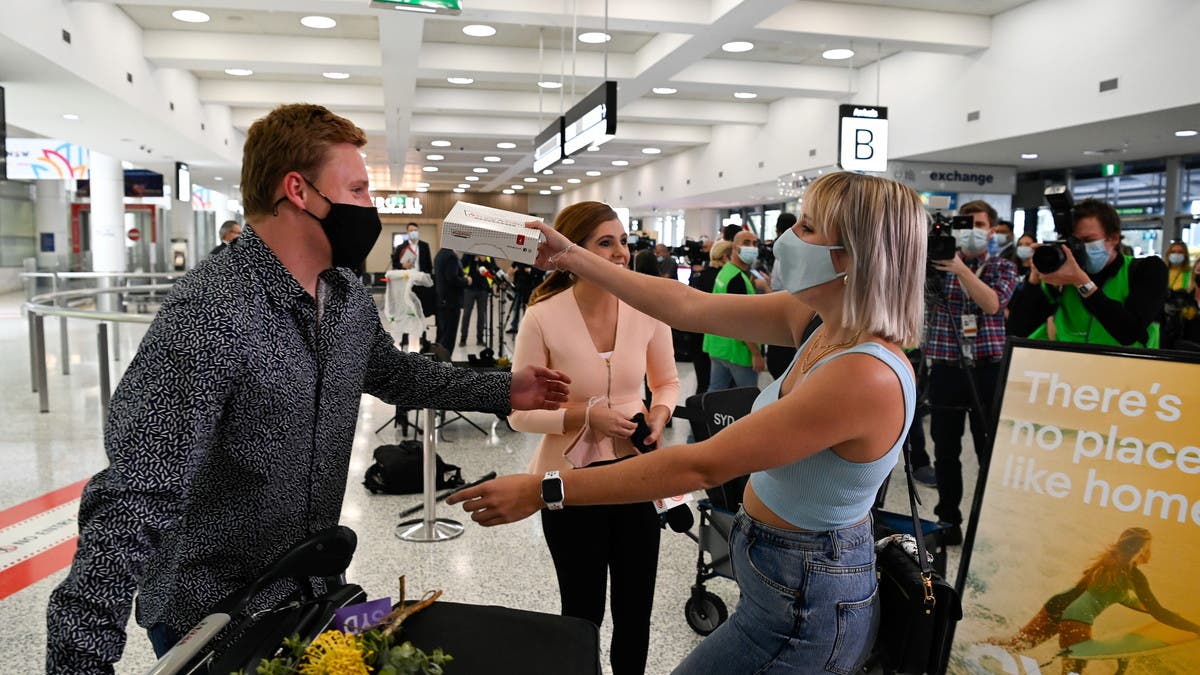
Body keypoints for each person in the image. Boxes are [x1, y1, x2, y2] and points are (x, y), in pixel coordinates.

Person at [44, 103, 571, 674]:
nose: (369, 207)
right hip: (215, 609)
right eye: (358, 190)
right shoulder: (210, 314)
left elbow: (391, 372)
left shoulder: (343, 293)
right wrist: (79, 664)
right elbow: (132, 502)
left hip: (313, 583)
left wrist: (502, 390)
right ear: (298, 191)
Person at [449, 171, 927, 674]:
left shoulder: (863, 374)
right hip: (779, 585)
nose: (786, 236)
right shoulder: (816, 322)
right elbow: (686, 305)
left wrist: (541, 490)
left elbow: (701, 465)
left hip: (806, 604)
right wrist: (569, 255)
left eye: (806, 227)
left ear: (850, 255)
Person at [507, 201, 679, 675]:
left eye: (623, 241)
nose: (622, 252)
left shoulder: (646, 307)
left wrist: (659, 414)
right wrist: (585, 417)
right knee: (582, 613)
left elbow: (666, 381)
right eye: (606, 242)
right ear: (571, 251)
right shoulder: (543, 317)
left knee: (635, 610)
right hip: (567, 483)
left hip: (637, 475)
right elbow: (519, 415)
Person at [926, 200, 1018, 544]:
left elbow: (993, 304)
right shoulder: (935, 264)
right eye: (965, 224)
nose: (972, 231)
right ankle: (948, 520)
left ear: (991, 230)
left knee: (987, 449)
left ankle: (989, 522)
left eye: (979, 224)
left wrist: (961, 269)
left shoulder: (1002, 266)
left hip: (987, 369)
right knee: (945, 451)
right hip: (946, 368)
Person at [991, 528, 1200, 675]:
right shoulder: (1134, 576)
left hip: (1057, 605)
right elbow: (1158, 611)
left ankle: (975, 644)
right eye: (1149, 548)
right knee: (1074, 671)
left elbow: (1135, 603)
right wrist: (1195, 629)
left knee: (1016, 644)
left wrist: (1177, 617)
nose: (1151, 552)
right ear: (1141, 550)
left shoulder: (1107, 563)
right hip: (1076, 618)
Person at [1008, 199, 1168, 347]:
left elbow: (1129, 332)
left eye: (1087, 240)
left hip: (1128, 365)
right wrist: (1034, 280)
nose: (1079, 248)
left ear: (1113, 238)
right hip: (1069, 365)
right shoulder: (1060, 276)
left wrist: (1081, 282)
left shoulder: (1146, 269)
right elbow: (1018, 330)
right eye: (1073, 242)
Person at [702, 229, 766, 390]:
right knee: (747, 396)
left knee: (716, 393)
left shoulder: (726, 272)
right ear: (734, 247)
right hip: (738, 350)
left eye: (755, 243)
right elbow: (742, 320)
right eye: (746, 243)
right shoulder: (737, 279)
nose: (752, 247)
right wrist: (756, 354)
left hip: (719, 346)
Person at [686, 241, 733, 395]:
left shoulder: (699, 276)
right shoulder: (728, 277)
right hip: (720, 339)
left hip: (698, 334)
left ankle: (699, 410)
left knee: (703, 382)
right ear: (726, 256)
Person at [433, 240, 468, 353]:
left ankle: (438, 359)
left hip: (441, 300)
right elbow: (452, 278)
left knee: (442, 334)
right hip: (451, 302)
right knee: (449, 336)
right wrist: (466, 280)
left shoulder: (439, 254)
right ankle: (445, 360)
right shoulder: (451, 256)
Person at [459, 253, 498, 347]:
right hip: (469, 289)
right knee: (466, 314)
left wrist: (484, 261)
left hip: (483, 289)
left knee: (481, 315)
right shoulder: (468, 254)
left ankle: (480, 338)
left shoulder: (487, 255)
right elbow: (460, 267)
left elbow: (493, 270)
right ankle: (463, 338)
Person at [506, 261, 543, 334]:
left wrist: (530, 270)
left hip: (529, 288)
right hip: (518, 287)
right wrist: (513, 271)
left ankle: (526, 327)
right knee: (516, 308)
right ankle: (514, 326)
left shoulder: (533, 260)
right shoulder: (518, 260)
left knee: (526, 309)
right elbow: (511, 270)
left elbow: (540, 271)